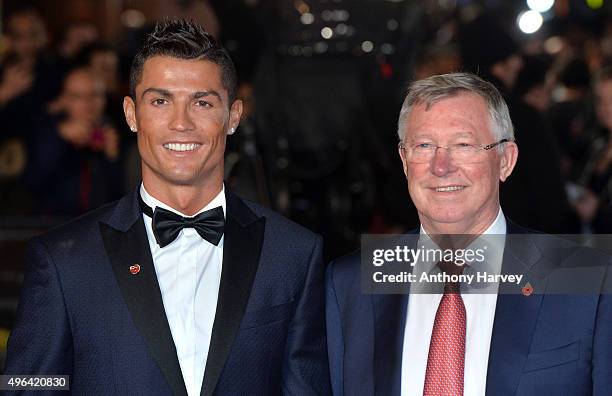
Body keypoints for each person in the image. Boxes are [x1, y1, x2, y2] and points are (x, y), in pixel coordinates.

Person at [5, 19, 330, 395]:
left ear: (234, 116)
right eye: (160, 101)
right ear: (131, 114)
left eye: (202, 102)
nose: (181, 123)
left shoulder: (293, 254)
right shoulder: (63, 261)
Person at [326, 72, 612, 395]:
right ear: (405, 161)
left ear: (505, 160)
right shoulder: (349, 285)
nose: (441, 165)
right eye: (423, 145)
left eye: (463, 144)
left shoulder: (589, 282)